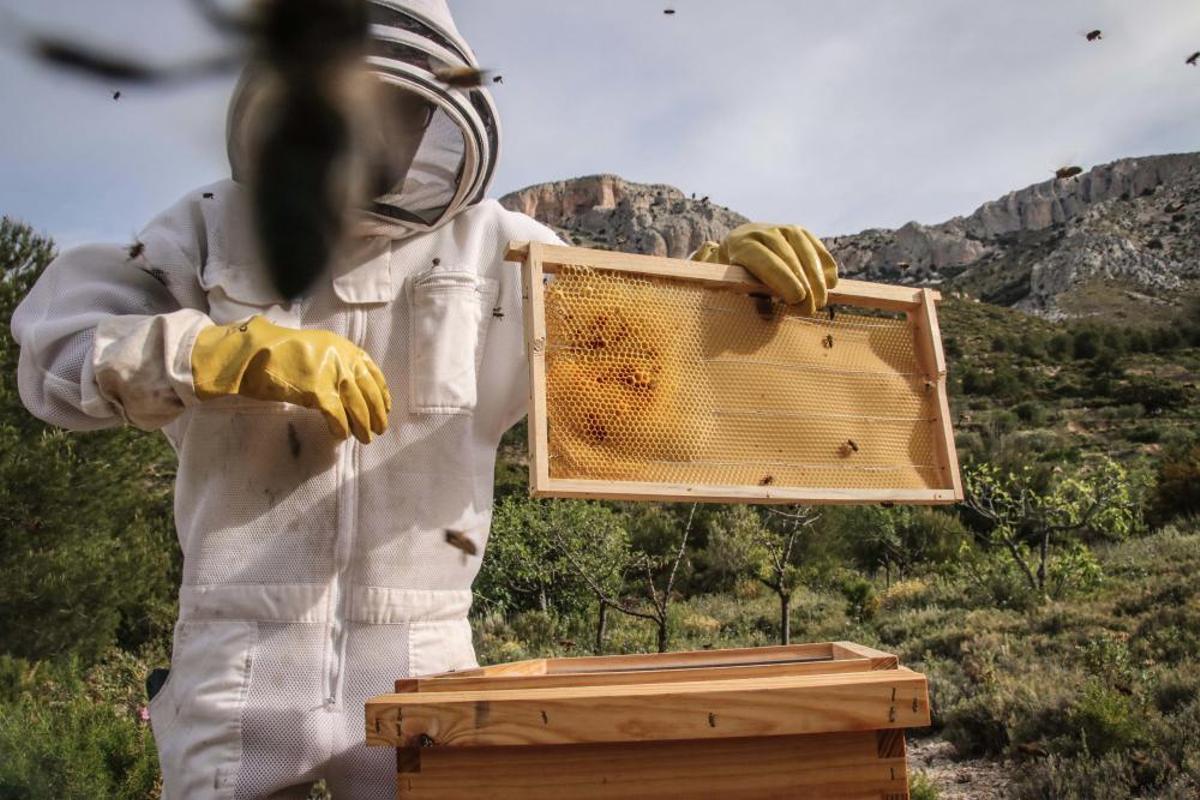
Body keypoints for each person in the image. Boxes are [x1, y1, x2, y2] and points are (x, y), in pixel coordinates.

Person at [10, 1, 838, 797]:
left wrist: (710, 292)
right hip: (235, 655)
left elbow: (633, 385)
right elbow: (56, 347)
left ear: (434, 117)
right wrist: (215, 352)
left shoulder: (500, 247)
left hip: (424, 647)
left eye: (396, 109)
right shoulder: (208, 228)